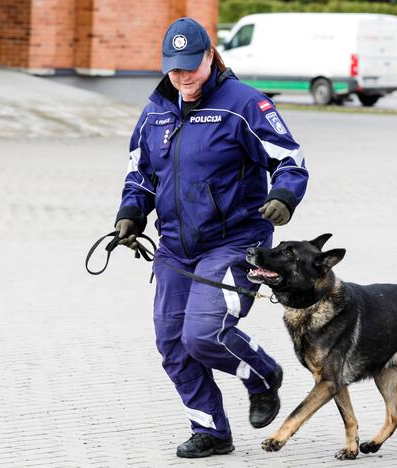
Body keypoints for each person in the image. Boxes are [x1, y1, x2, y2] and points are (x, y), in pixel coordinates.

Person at [112, 17, 309, 458]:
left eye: (190, 67)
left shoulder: (245, 105)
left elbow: (289, 159)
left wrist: (284, 195)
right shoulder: (155, 112)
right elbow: (141, 174)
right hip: (175, 247)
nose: (182, 77)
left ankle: (262, 377)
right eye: (174, 69)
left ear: (210, 56)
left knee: (203, 333)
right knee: (172, 342)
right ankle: (211, 431)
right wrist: (130, 213)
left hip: (236, 241)